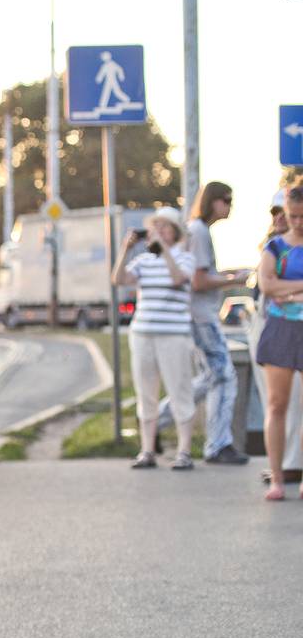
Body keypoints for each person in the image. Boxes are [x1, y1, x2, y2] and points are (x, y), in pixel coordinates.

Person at [113, 207, 198, 469]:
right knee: (145, 392)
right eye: (155, 227)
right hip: (143, 334)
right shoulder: (143, 261)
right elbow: (119, 279)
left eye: (165, 227)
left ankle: (184, 450)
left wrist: (164, 250)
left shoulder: (184, 258)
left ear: (175, 232)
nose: (159, 231)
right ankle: (147, 450)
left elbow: (177, 279)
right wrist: (126, 249)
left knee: (179, 390)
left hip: (174, 335)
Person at [177, 182, 249, 463]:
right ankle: (218, 444)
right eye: (226, 200)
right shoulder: (198, 231)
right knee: (223, 376)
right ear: (212, 201)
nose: (230, 206)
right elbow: (199, 280)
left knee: (211, 378)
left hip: (200, 316)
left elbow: (204, 272)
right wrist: (235, 281)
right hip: (202, 317)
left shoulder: (198, 231)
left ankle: (156, 419)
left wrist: (229, 272)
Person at [254, 185, 303, 499]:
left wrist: (286, 289)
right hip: (280, 328)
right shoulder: (274, 247)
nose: (298, 222)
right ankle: (276, 479)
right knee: (276, 404)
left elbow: (276, 286)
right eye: (293, 216)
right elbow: (267, 286)